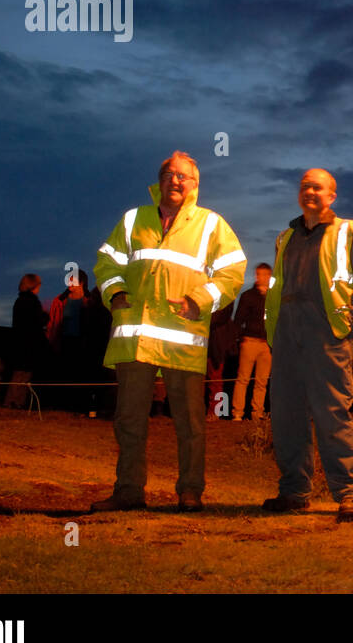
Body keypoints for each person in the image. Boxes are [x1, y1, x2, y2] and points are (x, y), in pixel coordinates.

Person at [89, 151, 246, 513]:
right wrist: (115, 293)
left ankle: (190, 492)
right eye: (169, 174)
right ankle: (128, 492)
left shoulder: (210, 224)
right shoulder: (132, 220)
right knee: (128, 421)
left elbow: (232, 272)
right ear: (159, 181)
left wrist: (200, 299)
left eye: (183, 177)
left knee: (190, 424)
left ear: (195, 186)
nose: (175, 181)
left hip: (182, 342)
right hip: (136, 342)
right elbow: (106, 262)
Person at [262, 168, 353, 521]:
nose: (309, 191)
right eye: (304, 186)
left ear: (332, 196)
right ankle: (294, 491)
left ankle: (349, 494)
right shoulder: (286, 237)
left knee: (332, 414)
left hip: (327, 334)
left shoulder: (349, 231)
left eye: (317, 187)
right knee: (287, 415)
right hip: (287, 335)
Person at [47, 269, 107, 413]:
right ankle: (65, 405)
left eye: (72, 281)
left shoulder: (90, 300)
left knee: (82, 374)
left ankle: (80, 406)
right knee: (65, 374)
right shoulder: (60, 300)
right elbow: (53, 323)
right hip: (65, 341)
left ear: (81, 282)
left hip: (83, 342)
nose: (69, 285)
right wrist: (51, 341)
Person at [231, 263, 273, 422]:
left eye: (264, 274)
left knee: (261, 381)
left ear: (269, 276)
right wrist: (239, 339)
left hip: (266, 344)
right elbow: (238, 319)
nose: (261, 277)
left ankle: (257, 413)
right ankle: (238, 413)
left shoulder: (273, 297)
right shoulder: (248, 296)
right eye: (259, 274)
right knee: (243, 379)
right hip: (250, 341)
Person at [5, 274, 49, 408]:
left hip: (18, 341)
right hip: (29, 343)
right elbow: (37, 321)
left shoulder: (19, 301)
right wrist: (46, 316)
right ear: (34, 286)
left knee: (19, 372)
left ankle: (13, 401)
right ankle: (15, 402)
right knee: (23, 374)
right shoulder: (33, 302)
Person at [206, 300, 236, 420]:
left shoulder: (226, 300)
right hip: (212, 342)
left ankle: (217, 412)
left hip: (217, 344)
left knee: (216, 380)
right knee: (212, 381)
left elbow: (218, 318)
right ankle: (215, 412)